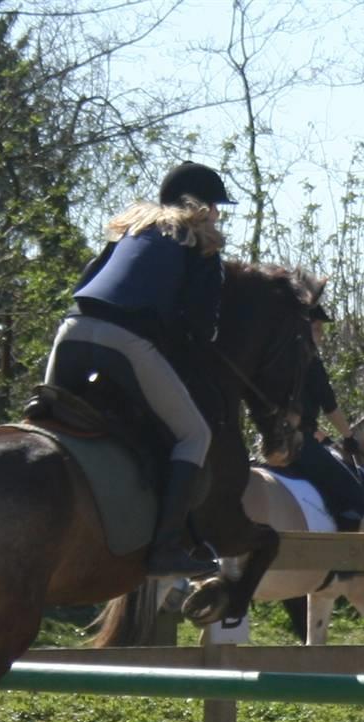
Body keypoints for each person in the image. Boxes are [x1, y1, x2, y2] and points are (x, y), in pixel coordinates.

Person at [44, 161, 237, 578]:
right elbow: (199, 328)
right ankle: (165, 548)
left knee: (43, 423)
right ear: (200, 207)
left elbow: (88, 280)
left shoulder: (129, 230)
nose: (218, 216)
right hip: (124, 343)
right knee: (194, 434)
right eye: (216, 207)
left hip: (72, 333)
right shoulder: (198, 241)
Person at [284, 279, 364, 531]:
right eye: (318, 328)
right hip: (300, 446)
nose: (321, 335)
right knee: (356, 496)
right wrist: (348, 436)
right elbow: (329, 406)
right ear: (305, 327)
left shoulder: (278, 358)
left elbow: (300, 412)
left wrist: (323, 437)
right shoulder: (309, 361)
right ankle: (343, 563)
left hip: (272, 442)